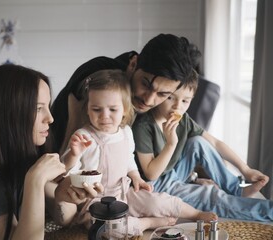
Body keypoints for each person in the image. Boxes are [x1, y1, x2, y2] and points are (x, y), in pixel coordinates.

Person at [0, 64, 103, 240]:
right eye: (38, 108)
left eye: (48, 106)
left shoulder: (26, 151)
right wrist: (35, 180)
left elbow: (66, 218)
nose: (50, 118)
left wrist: (61, 195)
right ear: (9, 112)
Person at [62, 69, 218, 236]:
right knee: (110, 230)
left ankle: (195, 214)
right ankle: (147, 222)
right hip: (96, 204)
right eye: (96, 109)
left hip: (124, 192)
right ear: (87, 109)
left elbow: (129, 159)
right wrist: (73, 154)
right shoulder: (84, 136)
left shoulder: (126, 132)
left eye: (112, 110)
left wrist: (136, 177)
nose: (104, 116)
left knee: (158, 201)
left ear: (124, 109)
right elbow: (68, 173)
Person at [131, 68, 273, 222]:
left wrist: (245, 170)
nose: (177, 106)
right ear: (162, 94)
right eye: (171, 98)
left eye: (185, 101)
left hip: (173, 173)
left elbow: (215, 143)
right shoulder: (143, 126)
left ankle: (235, 189)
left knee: (198, 142)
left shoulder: (183, 119)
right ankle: (268, 211)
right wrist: (171, 144)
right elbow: (151, 174)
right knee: (210, 195)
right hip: (156, 185)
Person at [51, 33, 199, 155]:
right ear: (133, 64)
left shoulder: (158, 97)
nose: (148, 99)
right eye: (145, 85)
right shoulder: (100, 78)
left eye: (163, 94)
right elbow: (72, 142)